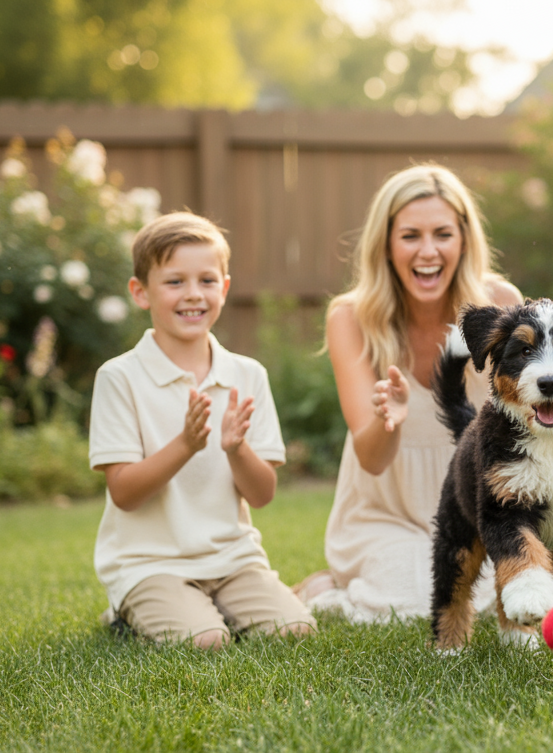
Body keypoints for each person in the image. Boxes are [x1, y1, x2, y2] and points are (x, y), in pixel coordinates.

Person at [292, 164, 523, 622]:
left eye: (442, 234)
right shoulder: (351, 317)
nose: (428, 251)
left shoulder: (500, 303)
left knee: (508, 595)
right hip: (386, 515)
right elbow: (372, 459)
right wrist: (387, 420)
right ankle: (324, 586)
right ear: (387, 243)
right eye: (410, 236)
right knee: (419, 601)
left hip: (477, 507)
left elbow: (522, 423)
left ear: (463, 239)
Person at [89, 212, 314, 649]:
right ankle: (127, 609)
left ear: (224, 288)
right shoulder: (119, 377)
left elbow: (262, 495)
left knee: (294, 630)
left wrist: (235, 450)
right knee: (207, 641)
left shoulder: (247, 374)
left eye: (207, 281)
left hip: (234, 559)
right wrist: (186, 445)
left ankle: (209, 605)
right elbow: (124, 494)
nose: (193, 295)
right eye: (175, 282)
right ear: (141, 292)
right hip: (151, 563)